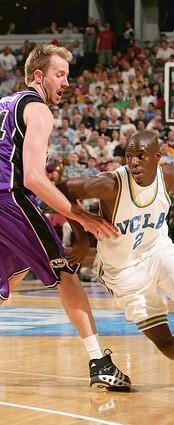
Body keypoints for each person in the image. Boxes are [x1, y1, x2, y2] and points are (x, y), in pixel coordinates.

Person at [0, 44, 130, 391]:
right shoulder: (38, 109)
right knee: (66, 273)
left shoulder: (5, 104)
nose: (67, 82)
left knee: (9, 278)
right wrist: (82, 217)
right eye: (60, 74)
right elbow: (32, 178)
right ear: (38, 76)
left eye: (68, 75)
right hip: (10, 200)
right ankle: (98, 362)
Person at [58, 130, 174, 389]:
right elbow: (61, 190)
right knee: (167, 346)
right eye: (129, 157)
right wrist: (82, 234)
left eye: (141, 156)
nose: (134, 162)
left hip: (158, 251)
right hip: (123, 270)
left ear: (157, 157)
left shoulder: (166, 175)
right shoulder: (110, 184)